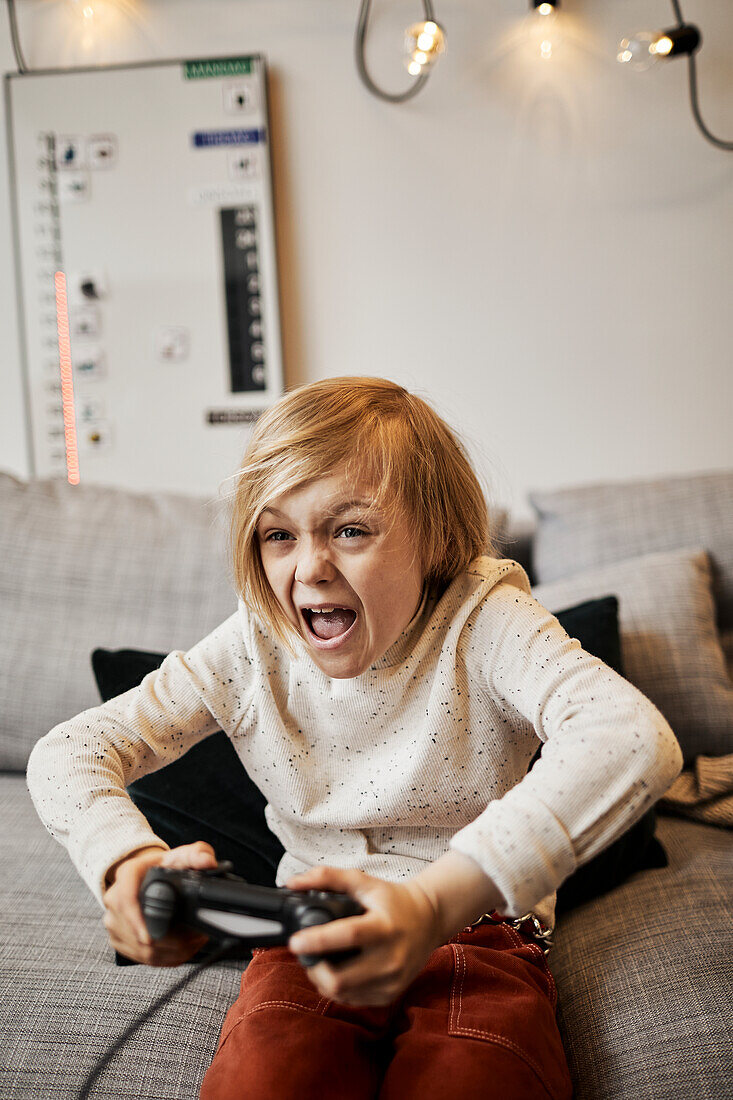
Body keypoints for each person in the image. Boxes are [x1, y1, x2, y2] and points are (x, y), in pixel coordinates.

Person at [27, 376, 683, 1099]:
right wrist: (126, 866)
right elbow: (70, 752)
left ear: (434, 539)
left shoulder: (485, 618)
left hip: (476, 933)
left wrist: (433, 905)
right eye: (279, 534)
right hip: (304, 935)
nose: (308, 568)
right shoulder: (255, 642)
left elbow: (628, 735)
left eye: (349, 529)